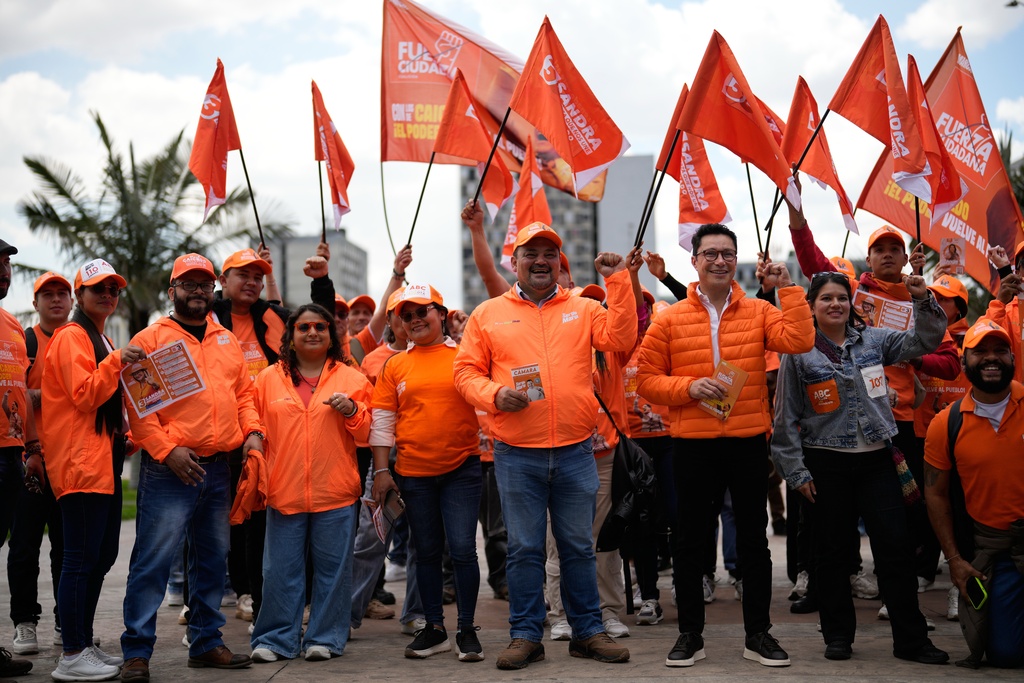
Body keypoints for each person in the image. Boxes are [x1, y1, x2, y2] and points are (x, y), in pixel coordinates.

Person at [454, 222, 636, 669]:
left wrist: (619, 281)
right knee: (525, 549)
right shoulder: (487, 313)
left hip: (576, 450)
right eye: (530, 253)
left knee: (577, 547)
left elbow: (621, 338)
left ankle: (588, 632)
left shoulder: (585, 308)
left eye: (549, 254)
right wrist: (494, 395)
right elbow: (464, 374)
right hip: (516, 453)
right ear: (513, 262)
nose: (540, 261)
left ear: (560, 262)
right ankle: (525, 635)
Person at [636, 223, 815, 668]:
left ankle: (759, 634)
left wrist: (788, 287)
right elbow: (647, 380)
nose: (720, 261)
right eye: (711, 253)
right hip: (692, 445)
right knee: (691, 542)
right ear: (694, 261)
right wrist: (691, 388)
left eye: (728, 254)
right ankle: (689, 635)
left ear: (737, 261)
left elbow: (801, 340)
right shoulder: (670, 317)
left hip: (748, 441)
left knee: (754, 541)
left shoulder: (758, 310)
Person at [770, 270, 949, 664]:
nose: (835, 304)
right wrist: (796, 473)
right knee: (831, 555)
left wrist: (921, 298)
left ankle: (911, 641)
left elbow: (927, 340)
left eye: (841, 297)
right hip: (824, 464)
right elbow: (784, 419)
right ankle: (837, 636)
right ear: (811, 306)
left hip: (878, 463)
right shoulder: (798, 352)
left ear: (851, 303)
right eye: (826, 298)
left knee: (895, 550)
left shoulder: (876, 339)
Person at [788, 201, 961, 594]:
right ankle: (836, 582)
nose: (886, 255)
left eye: (894, 249)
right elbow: (814, 262)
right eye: (879, 249)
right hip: (844, 420)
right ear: (867, 257)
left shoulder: (920, 296)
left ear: (905, 258)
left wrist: (911, 354)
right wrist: (798, 217)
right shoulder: (853, 292)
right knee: (835, 518)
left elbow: (950, 361)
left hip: (898, 421)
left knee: (902, 512)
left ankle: (902, 586)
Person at [119, 253, 265, 681]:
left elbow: (243, 395)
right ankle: (137, 653)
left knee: (212, 561)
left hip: (219, 467)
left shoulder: (226, 339)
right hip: (170, 471)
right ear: (173, 291)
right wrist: (168, 451)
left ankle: (205, 643)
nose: (198, 291)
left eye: (204, 284)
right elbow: (139, 411)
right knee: (153, 561)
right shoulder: (150, 340)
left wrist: (252, 430)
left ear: (213, 289)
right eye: (189, 283)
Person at [210, 245, 335, 627]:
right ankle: (224, 597)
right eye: (242, 275)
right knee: (221, 525)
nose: (251, 282)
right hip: (218, 439)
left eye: (257, 276)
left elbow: (321, 324)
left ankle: (258, 596)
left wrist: (321, 283)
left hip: (269, 437)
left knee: (260, 523)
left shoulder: (274, 316)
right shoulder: (206, 317)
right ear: (223, 280)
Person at [249, 304, 372, 662]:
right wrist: (253, 436)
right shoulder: (267, 378)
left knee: (333, 571)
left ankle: (325, 638)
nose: (313, 332)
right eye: (304, 327)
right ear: (290, 336)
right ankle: (274, 639)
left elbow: (368, 431)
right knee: (279, 570)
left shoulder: (353, 378)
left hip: (335, 491)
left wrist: (352, 411)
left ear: (332, 335)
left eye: (321, 326)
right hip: (283, 490)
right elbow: (251, 419)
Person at [39, 259, 142, 681]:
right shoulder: (71, 336)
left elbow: (98, 402)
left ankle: (82, 642)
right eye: (98, 288)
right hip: (80, 466)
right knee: (81, 559)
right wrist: (117, 359)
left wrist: (123, 435)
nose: (107, 295)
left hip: (101, 461)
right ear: (80, 295)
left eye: (113, 289)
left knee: (100, 556)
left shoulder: (94, 336)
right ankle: (72, 654)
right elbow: (84, 396)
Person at [371, 284, 484, 662]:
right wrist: (382, 471)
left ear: (442, 313)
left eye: (423, 311)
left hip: (462, 470)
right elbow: (383, 423)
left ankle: (466, 629)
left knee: (465, 551)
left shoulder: (465, 356)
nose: (416, 320)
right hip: (414, 475)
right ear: (400, 324)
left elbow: (484, 400)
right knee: (426, 553)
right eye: (408, 315)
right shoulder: (395, 365)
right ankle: (434, 628)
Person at [924, 318, 1024, 669]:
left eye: (1000, 350)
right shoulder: (945, 423)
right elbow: (935, 495)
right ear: (963, 363)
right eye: (979, 352)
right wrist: (954, 561)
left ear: (1013, 358)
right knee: (1006, 654)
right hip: (994, 553)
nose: (991, 358)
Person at [8, 272, 72, 656]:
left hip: (69, 466)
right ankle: (24, 624)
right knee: (24, 548)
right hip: (29, 463)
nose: (55, 300)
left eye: (62, 294)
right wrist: (49, 395)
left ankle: (68, 623)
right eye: (47, 295)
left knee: (68, 550)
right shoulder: (26, 341)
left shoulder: (81, 339)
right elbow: (14, 395)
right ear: (35, 303)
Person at [0, 238, 37, 679]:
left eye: (7, 261)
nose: (5, 268)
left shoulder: (11, 325)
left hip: (9, 454)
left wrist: (28, 447)